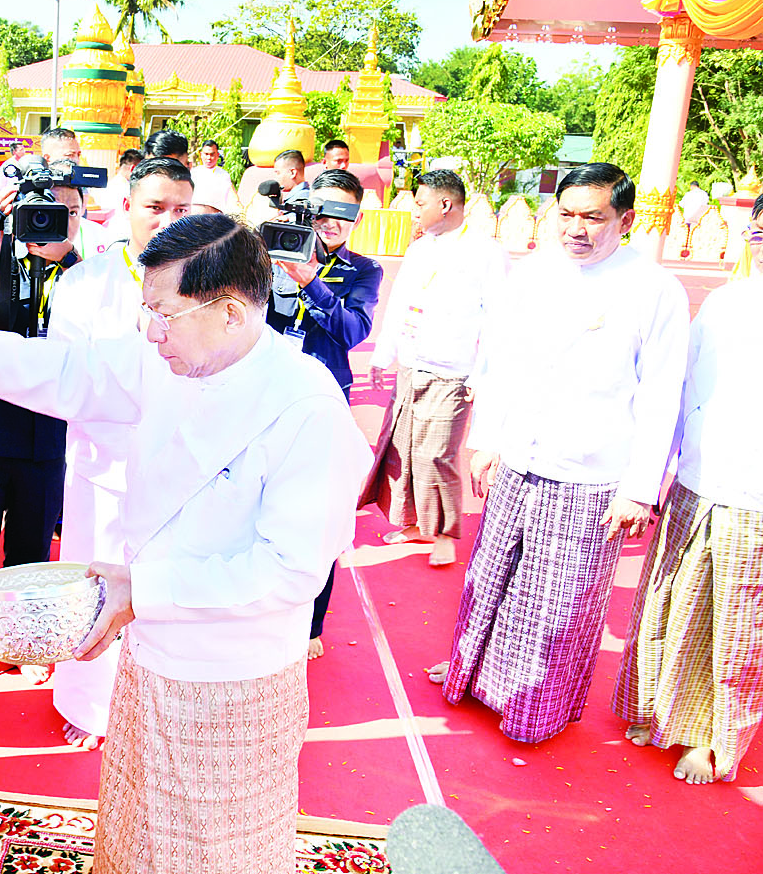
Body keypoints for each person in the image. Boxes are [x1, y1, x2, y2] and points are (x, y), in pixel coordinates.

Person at [0, 214, 370, 874]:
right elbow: (70, 371)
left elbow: (289, 571)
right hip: (150, 649)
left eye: (163, 314)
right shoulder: (171, 356)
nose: (150, 331)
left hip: (232, 676)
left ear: (231, 312)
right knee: (135, 829)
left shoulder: (307, 408)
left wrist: (143, 590)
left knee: (216, 851)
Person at [431, 163, 689, 743]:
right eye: (566, 214)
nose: (576, 229)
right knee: (492, 577)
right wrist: (487, 439)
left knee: (560, 604)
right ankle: (474, 677)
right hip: (519, 456)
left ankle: (535, 711)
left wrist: (638, 489)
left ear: (625, 220)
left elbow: (662, 395)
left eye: (592, 217)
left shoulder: (654, 290)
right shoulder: (535, 273)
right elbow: (500, 362)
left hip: (592, 475)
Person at [45, 157, 194, 750]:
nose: (168, 220)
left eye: (181, 209)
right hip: (104, 467)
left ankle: (164, 710)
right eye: (155, 207)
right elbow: (67, 377)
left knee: (169, 590)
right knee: (95, 586)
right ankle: (87, 706)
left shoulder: (209, 280)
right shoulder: (86, 283)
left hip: (185, 469)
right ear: (126, 207)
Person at [613, 201, 763, 784]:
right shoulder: (725, 303)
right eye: (758, 232)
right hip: (697, 478)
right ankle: (662, 712)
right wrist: (652, 477)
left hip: (754, 497)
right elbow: (677, 391)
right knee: (672, 602)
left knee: (738, 623)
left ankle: (713, 738)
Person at [0, 162, 82, 677]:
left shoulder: (83, 272)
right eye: (49, 210)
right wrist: (4, 235)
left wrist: (67, 256)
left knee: (32, 551)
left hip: (48, 435)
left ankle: (24, 647)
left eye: (71, 212)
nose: (59, 220)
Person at [264, 167, 383, 659]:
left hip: (323, 400)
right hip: (265, 391)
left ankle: (312, 623)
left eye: (343, 213)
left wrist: (311, 281)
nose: (330, 221)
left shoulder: (363, 271)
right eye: (322, 209)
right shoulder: (274, 248)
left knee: (317, 511)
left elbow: (352, 331)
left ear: (357, 218)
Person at [364, 169, 508, 566]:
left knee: (437, 455)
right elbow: (398, 304)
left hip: (452, 372)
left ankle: (444, 534)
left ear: (445, 204)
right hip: (412, 364)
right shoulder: (419, 249)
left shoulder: (486, 252)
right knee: (405, 449)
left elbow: (498, 320)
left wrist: (482, 374)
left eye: (420, 203)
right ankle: (414, 523)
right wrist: (383, 355)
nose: (414, 211)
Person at [189, 139, 239, 213]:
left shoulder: (224, 175)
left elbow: (232, 198)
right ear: (201, 154)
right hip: (195, 214)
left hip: (216, 216)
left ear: (217, 155)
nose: (209, 158)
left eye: (212, 154)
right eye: (206, 154)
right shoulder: (193, 173)